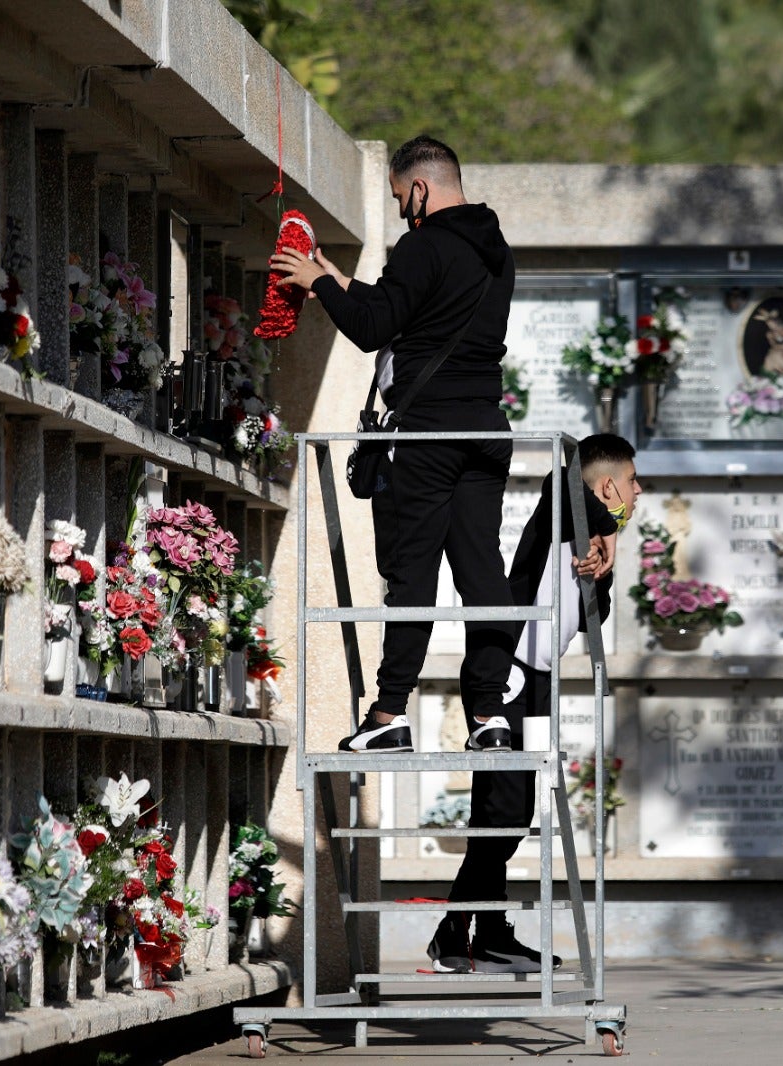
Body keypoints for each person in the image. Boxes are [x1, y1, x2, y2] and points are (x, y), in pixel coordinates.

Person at [269, 135, 518, 753]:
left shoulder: (422, 244)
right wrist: (332, 275)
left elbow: (374, 326)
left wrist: (317, 289)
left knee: (413, 575)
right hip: (486, 430)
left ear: (419, 188)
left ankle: (388, 714)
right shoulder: (496, 251)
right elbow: (407, 308)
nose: (401, 210)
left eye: (399, 198)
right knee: (483, 571)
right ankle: (490, 715)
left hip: (429, 432)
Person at [427, 433, 640, 974]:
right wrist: (609, 525)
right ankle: (454, 931)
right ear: (609, 485)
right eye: (633, 482)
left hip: (540, 684)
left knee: (512, 815)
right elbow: (560, 478)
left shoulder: (589, 539)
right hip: (508, 678)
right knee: (501, 813)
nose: (640, 493)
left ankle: (489, 933)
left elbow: (585, 614)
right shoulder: (564, 510)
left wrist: (604, 567)